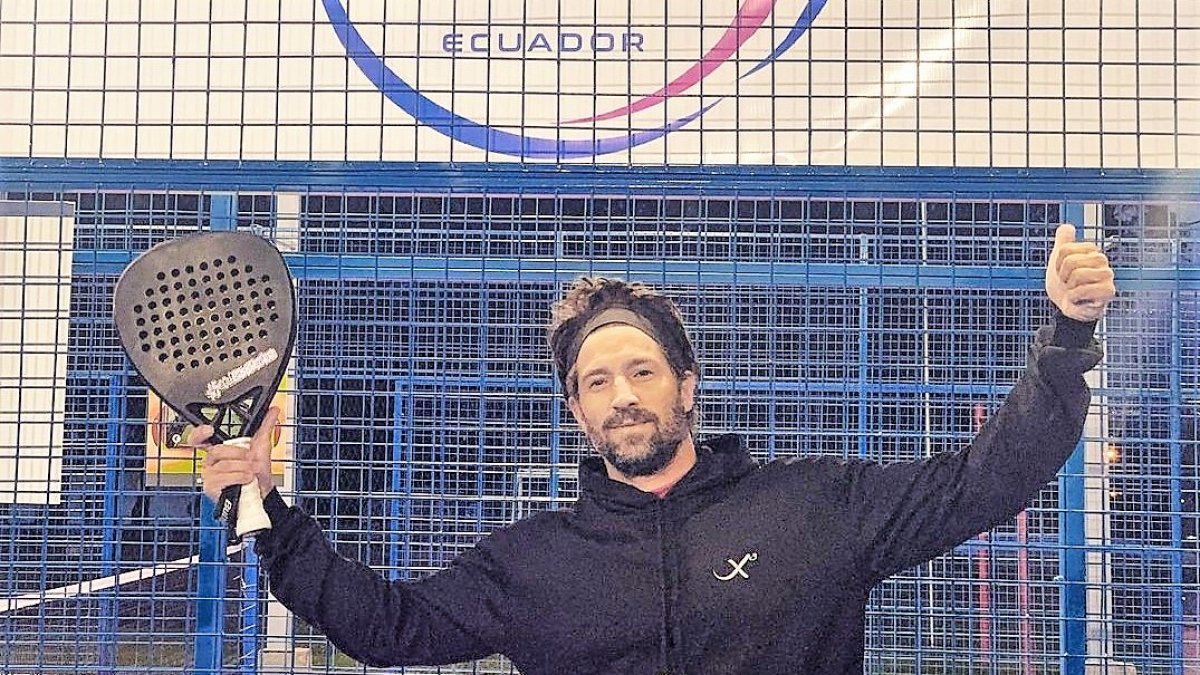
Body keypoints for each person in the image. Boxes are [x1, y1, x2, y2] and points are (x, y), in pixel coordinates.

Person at [197, 224, 1116, 674]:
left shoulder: (815, 504)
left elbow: (988, 479)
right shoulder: (531, 563)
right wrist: (266, 510)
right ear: (576, 411)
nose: (623, 395)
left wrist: (1065, 339)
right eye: (597, 382)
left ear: (685, 382)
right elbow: (386, 627)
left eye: (640, 370)